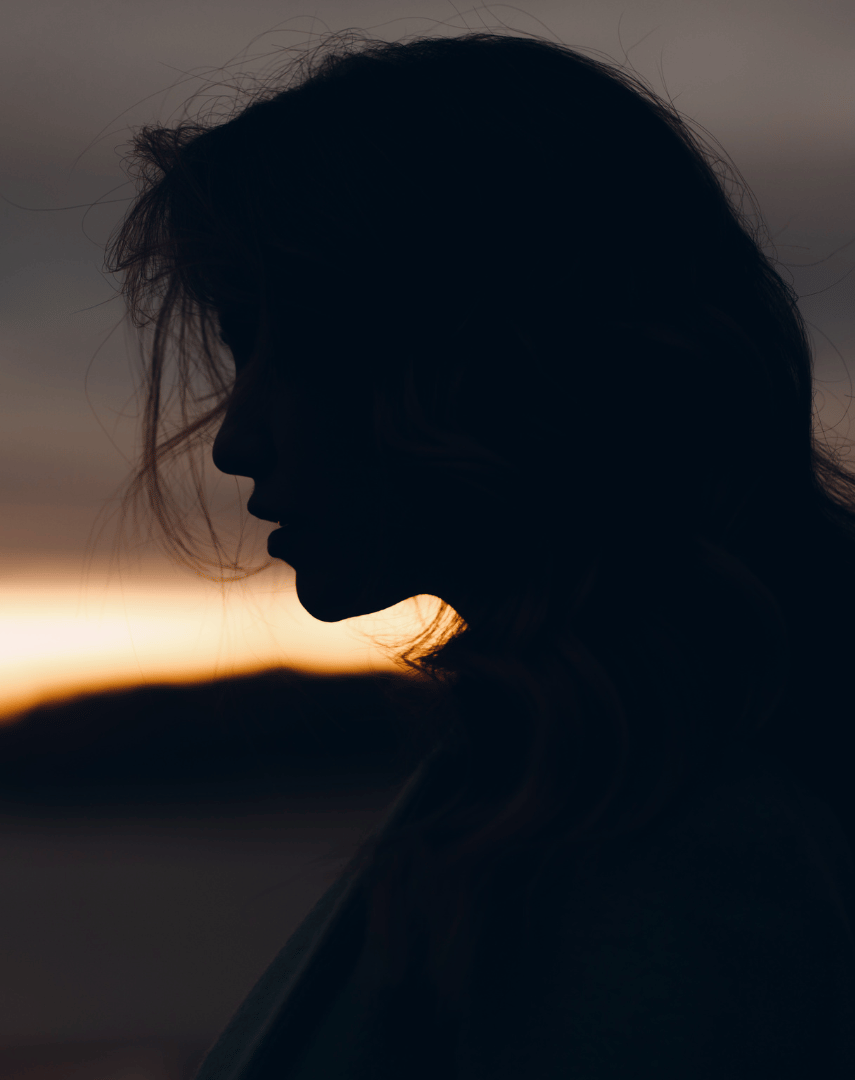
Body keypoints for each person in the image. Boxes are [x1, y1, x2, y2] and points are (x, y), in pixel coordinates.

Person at [106, 31, 855, 1079]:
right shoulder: (577, 774)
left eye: (301, 345)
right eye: (241, 343)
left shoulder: (692, 849)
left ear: (498, 361)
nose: (237, 437)